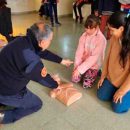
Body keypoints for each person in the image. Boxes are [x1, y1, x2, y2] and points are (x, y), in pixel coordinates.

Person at [0, 21, 73, 124]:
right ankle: (3, 117)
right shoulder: (30, 58)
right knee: (36, 104)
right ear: (42, 42)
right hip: (6, 90)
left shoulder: (23, 40)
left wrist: (61, 60)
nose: (50, 42)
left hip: (5, 77)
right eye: (50, 40)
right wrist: (56, 85)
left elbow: (42, 52)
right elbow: (42, 78)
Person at [97, 11, 130, 113]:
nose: (109, 33)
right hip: (113, 77)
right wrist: (103, 75)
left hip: (127, 82)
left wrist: (123, 90)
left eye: (112, 30)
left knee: (118, 108)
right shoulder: (114, 38)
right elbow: (107, 57)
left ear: (121, 29)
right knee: (101, 95)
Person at [72, 15, 106, 88]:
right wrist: (76, 67)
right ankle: (84, 71)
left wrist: (80, 69)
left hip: (94, 65)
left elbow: (93, 59)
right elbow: (79, 53)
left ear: (96, 28)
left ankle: (97, 71)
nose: (87, 31)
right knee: (75, 79)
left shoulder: (101, 39)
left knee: (86, 85)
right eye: (86, 28)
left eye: (90, 29)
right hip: (83, 62)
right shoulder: (84, 36)